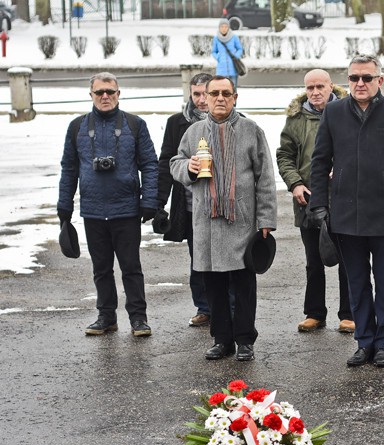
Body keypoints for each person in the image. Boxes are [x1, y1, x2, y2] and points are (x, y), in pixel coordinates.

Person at [308, 55, 384, 368]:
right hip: (345, 214)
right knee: (356, 283)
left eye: (367, 78)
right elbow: (319, 162)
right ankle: (364, 342)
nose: (360, 83)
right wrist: (319, 205)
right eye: (354, 78)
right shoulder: (334, 112)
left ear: (379, 81)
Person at [171, 76, 278, 361]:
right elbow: (175, 163)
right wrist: (189, 168)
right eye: (214, 93)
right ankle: (221, 340)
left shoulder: (251, 130)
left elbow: (265, 177)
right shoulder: (194, 132)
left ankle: (244, 340)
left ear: (235, 98)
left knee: (243, 283)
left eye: (225, 94)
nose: (220, 98)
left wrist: (266, 219)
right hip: (205, 220)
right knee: (213, 286)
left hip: (240, 220)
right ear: (204, 97)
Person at [58, 72, 159, 337]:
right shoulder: (77, 126)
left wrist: (149, 201)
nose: (105, 96)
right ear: (90, 94)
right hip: (92, 210)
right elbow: (69, 168)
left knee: (131, 268)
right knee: (101, 268)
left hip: (126, 210)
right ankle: (106, 317)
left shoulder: (135, 124)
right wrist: (64, 205)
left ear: (118, 94)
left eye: (110, 92)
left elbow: (150, 164)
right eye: (99, 92)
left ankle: (138, 318)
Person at [276, 69, 355, 334]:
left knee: (348, 259)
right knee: (314, 260)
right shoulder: (296, 118)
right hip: (308, 199)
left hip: (345, 198)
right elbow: (285, 155)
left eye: (320, 86)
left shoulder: (349, 111)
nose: (315, 92)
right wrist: (295, 183)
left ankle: (349, 313)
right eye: (310, 88)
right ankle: (315, 313)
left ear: (331, 86)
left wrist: (345, 167)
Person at [157, 72, 213, 327]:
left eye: (206, 93)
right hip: (190, 206)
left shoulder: (235, 121)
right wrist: (157, 203)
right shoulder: (177, 123)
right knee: (197, 258)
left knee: (230, 259)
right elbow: (166, 162)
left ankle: (230, 306)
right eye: (196, 94)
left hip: (223, 204)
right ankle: (204, 307)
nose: (201, 100)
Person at [212, 19, 243, 90]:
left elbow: (240, 49)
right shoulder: (216, 38)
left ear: (228, 27)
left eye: (226, 27)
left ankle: (234, 102)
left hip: (233, 68)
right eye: (222, 27)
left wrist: (236, 56)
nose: (224, 29)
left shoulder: (234, 37)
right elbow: (213, 52)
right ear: (219, 28)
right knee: (222, 90)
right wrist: (218, 57)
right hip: (221, 69)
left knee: (233, 90)